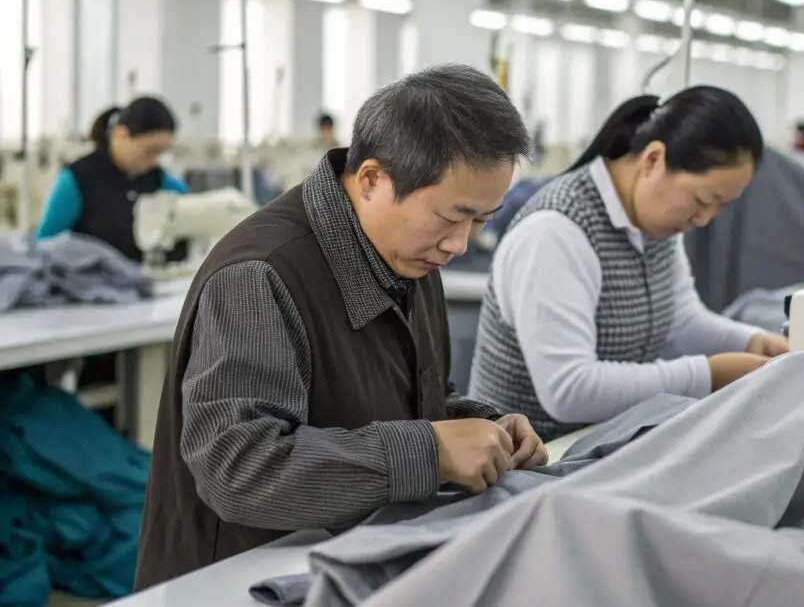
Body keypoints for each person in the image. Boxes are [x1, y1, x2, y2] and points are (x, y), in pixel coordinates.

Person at [134, 64, 548, 590]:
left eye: (481, 221)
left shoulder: (410, 255)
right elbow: (238, 468)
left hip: (345, 562)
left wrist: (483, 429)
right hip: (233, 584)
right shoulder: (261, 276)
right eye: (451, 217)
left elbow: (409, 395)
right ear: (373, 179)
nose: (461, 244)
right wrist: (430, 451)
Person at [468, 87, 790, 442]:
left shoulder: (654, 227)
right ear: (653, 160)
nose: (704, 220)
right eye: (702, 200)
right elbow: (569, 389)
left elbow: (678, 321)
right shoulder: (555, 232)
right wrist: (708, 375)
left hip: (603, 443)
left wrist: (753, 342)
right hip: (532, 456)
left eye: (721, 207)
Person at [36, 96, 188, 262]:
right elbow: (44, 247)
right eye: (149, 151)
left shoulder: (165, 184)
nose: (154, 161)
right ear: (121, 134)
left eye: (161, 153)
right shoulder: (77, 180)